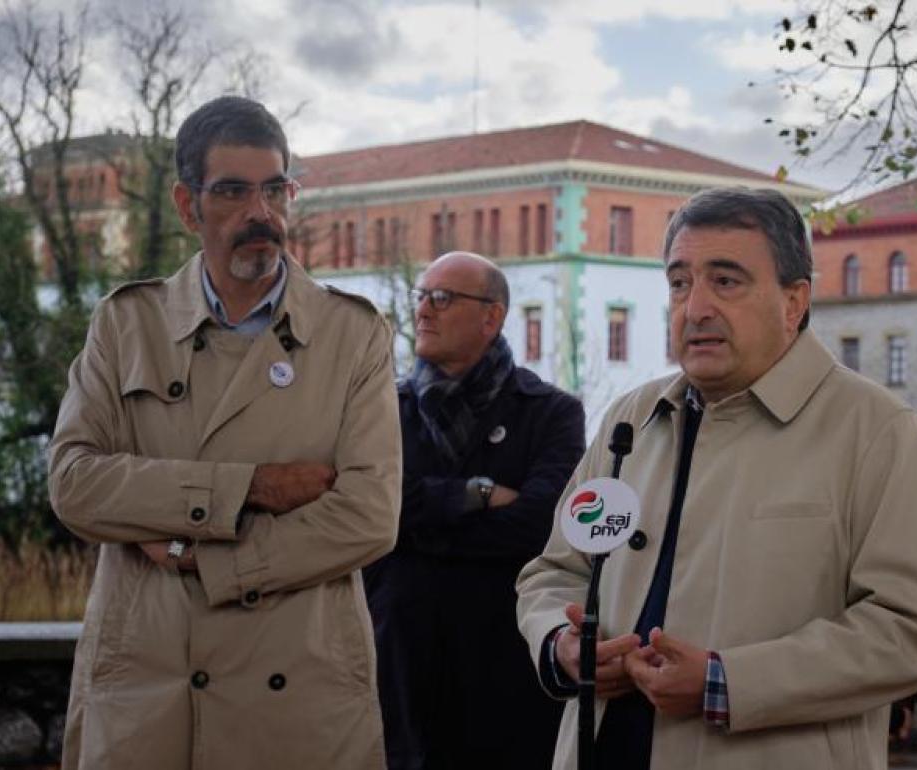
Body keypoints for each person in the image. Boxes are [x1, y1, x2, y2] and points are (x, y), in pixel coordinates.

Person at [515, 187, 917, 769]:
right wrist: (562, 643)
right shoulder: (631, 418)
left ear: (794, 301)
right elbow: (555, 573)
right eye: (679, 282)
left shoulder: (875, 428)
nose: (695, 307)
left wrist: (726, 682)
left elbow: (909, 630)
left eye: (725, 281)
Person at [47, 96, 401, 770]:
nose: (260, 212)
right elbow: (74, 485)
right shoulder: (127, 325)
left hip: (296, 692)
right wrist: (252, 488)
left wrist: (208, 561)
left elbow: (369, 516)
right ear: (188, 206)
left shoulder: (352, 334)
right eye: (234, 192)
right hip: (149, 689)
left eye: (275, 189)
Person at [362, 251, 585, 769]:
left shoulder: (551, 413)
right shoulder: (381, 410)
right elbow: (371, 509)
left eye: (442, 298)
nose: (423, 310)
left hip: (504, 668)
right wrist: (479, 495)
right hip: (400, 665)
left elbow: (538, 526)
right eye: (421, 296)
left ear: (492, 316)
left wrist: (415, 524)